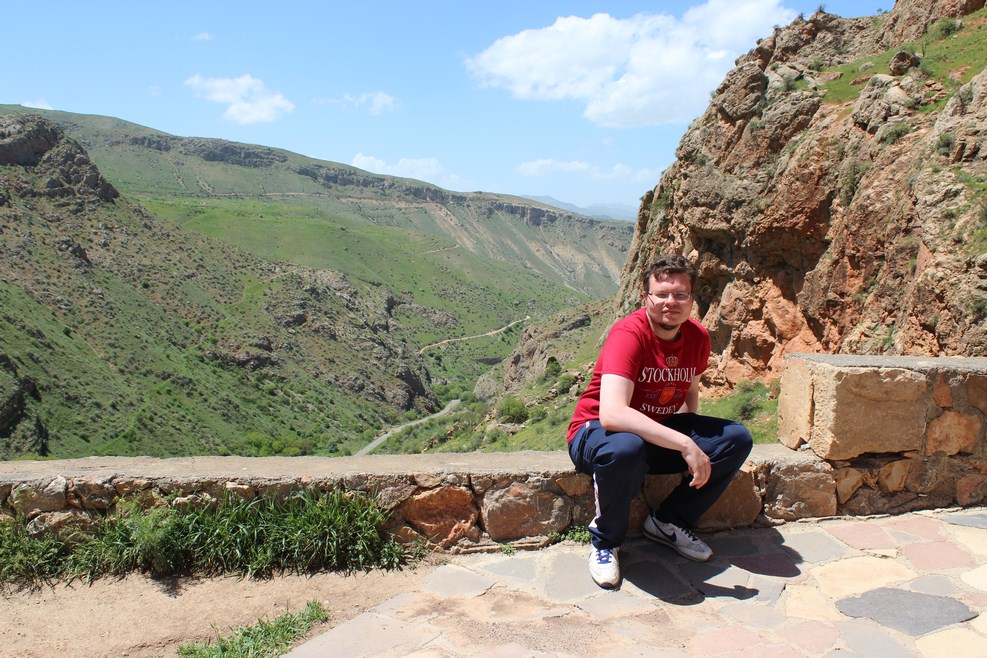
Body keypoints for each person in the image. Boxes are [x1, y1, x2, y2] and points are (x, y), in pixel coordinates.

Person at [567, 254, 753, 589]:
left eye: (681, 295)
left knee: (735, 438)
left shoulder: (697, 336)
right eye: (662, 294)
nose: (671, 302)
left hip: (652, 433)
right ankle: (606, 542)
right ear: (646, 298)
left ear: (691, 300)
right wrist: (684, 443)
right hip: (595, 434)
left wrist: (691, 432)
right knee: (626, 447)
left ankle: (668, 521)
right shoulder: (629, 333)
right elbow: (612, 414)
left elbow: (689, 389)